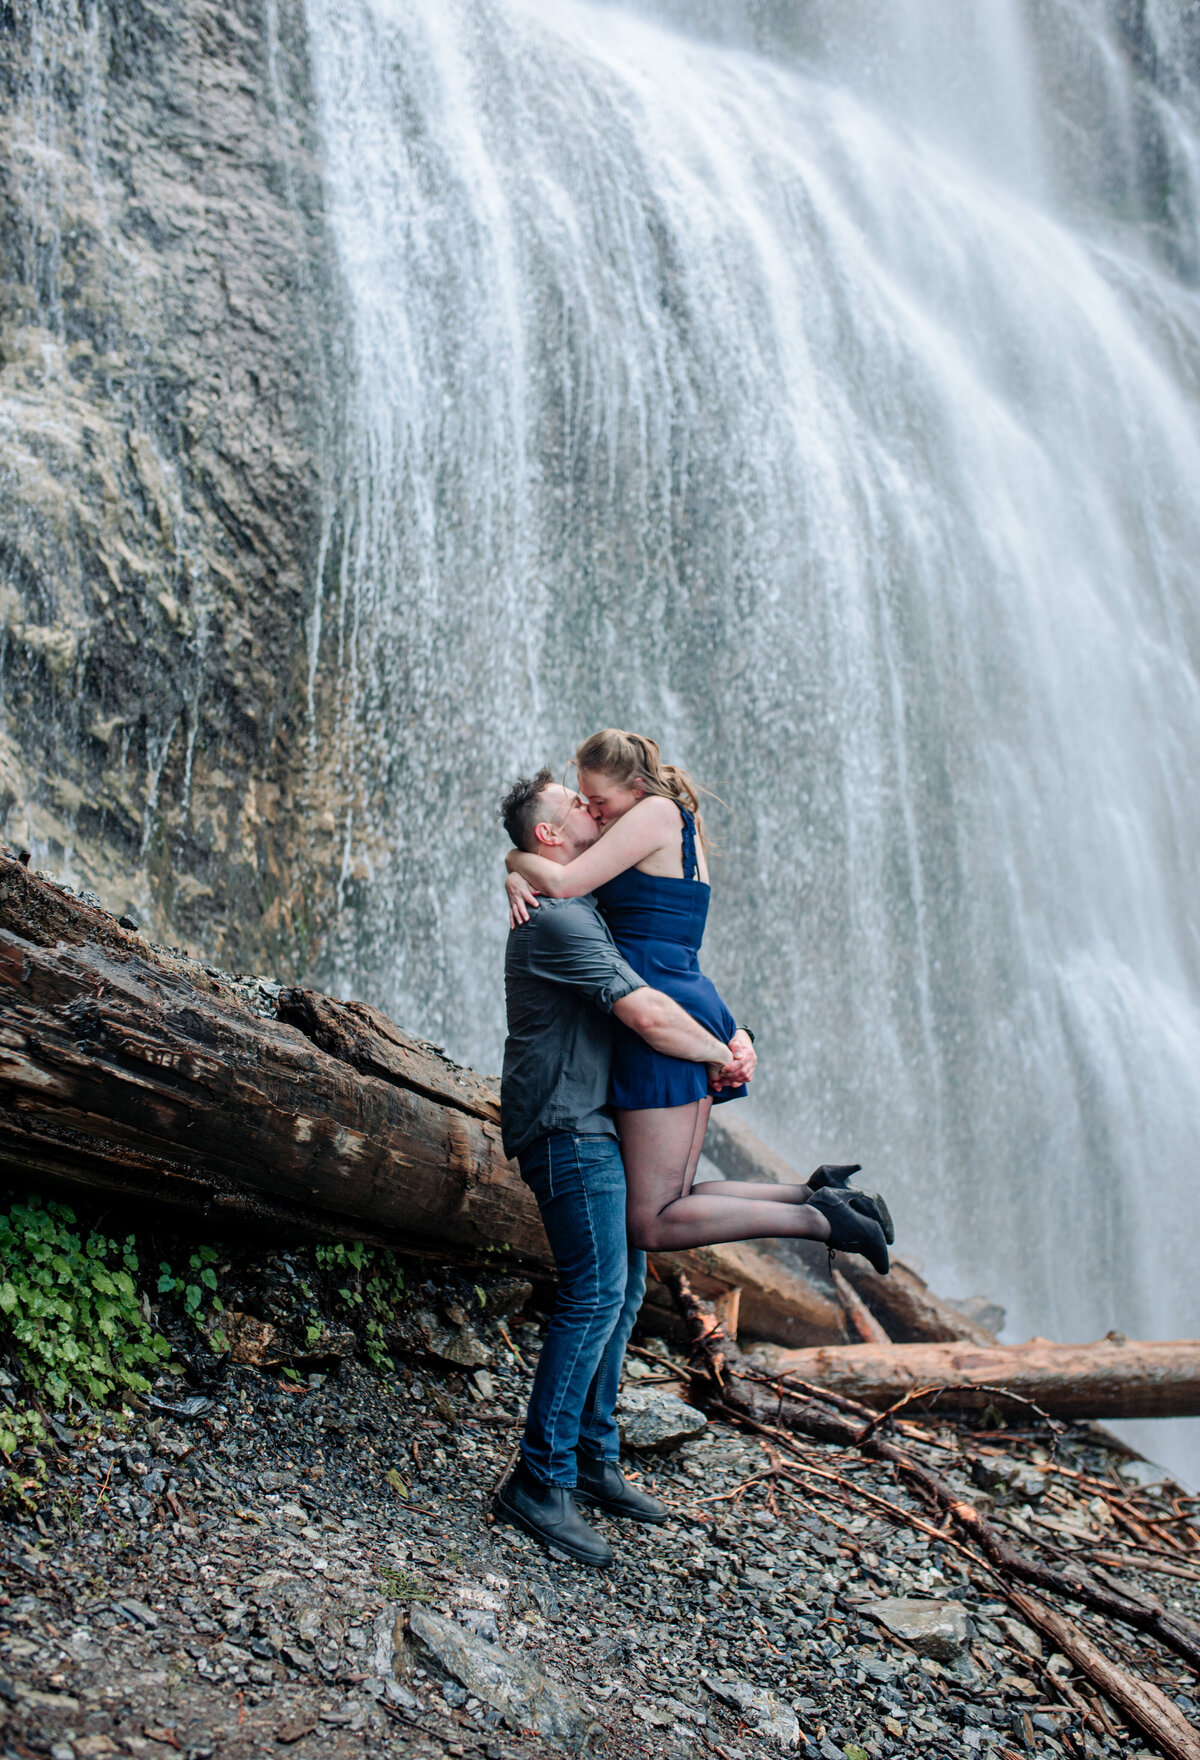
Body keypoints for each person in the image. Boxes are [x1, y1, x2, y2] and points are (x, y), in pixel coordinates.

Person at [505, 729, 892, 1269]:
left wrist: (515, 860)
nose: (594, 812)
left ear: (635, 786)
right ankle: (817, 1195)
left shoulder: (655, 813)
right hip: (675, 997)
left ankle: (826, 1221)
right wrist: (516, 864)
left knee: (652, 1219)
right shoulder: (653, 819)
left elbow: (565, 884)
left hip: (659, 1012)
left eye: (598, 801)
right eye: (584, 803)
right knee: (671, 1199)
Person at [494, 768, 749, 1569]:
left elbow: (660, 972)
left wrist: (734, 1032)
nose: (594, 806)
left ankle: (596, 1461)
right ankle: (539, 1484)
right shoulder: (564, 922)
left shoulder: (583, 904)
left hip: (596, 1118)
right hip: (565, 1126)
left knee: (627, 1286)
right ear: (550, 837)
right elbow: (643, 1010)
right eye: (577, 803)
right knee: (597, 1290)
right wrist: (720, 1054)